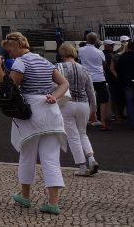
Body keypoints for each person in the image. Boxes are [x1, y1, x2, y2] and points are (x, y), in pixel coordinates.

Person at [0, 32, 68, 216]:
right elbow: (64, 83)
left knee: (27, 155)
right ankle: (53, 203)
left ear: (17, 45)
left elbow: (9, 88)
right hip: (51, 112)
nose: (10, 55)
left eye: (10, 49)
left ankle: (25, 196)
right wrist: (55, 96)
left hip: (31, 112)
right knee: (51, 158)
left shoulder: (21, 62)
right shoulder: (44, 61)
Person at [55, 43, 99, 176]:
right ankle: (91, 158)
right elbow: (91, 91)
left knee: (73, 136)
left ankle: (82, 166)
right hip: (84, 104)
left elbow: (53, 85)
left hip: (67, 103)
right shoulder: (84, 69)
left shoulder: (58, 67)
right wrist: (94, 109)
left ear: (61, 54)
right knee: (83, 133)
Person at [78, 33, 111, 130]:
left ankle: (84, 122)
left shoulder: (80, 50)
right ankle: (103, 123)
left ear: (86, 39)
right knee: (103, 100)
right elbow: (104, 64)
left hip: (86, 77)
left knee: (86, 100)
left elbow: (79, 61)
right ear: (96, 40)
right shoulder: (99, 52)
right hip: (99, 78)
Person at [115, 38, 134, 130]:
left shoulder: (122, 58)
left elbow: (119, 71)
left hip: (127, 83)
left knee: (130, 103)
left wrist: (120, 83)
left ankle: (132, 123)